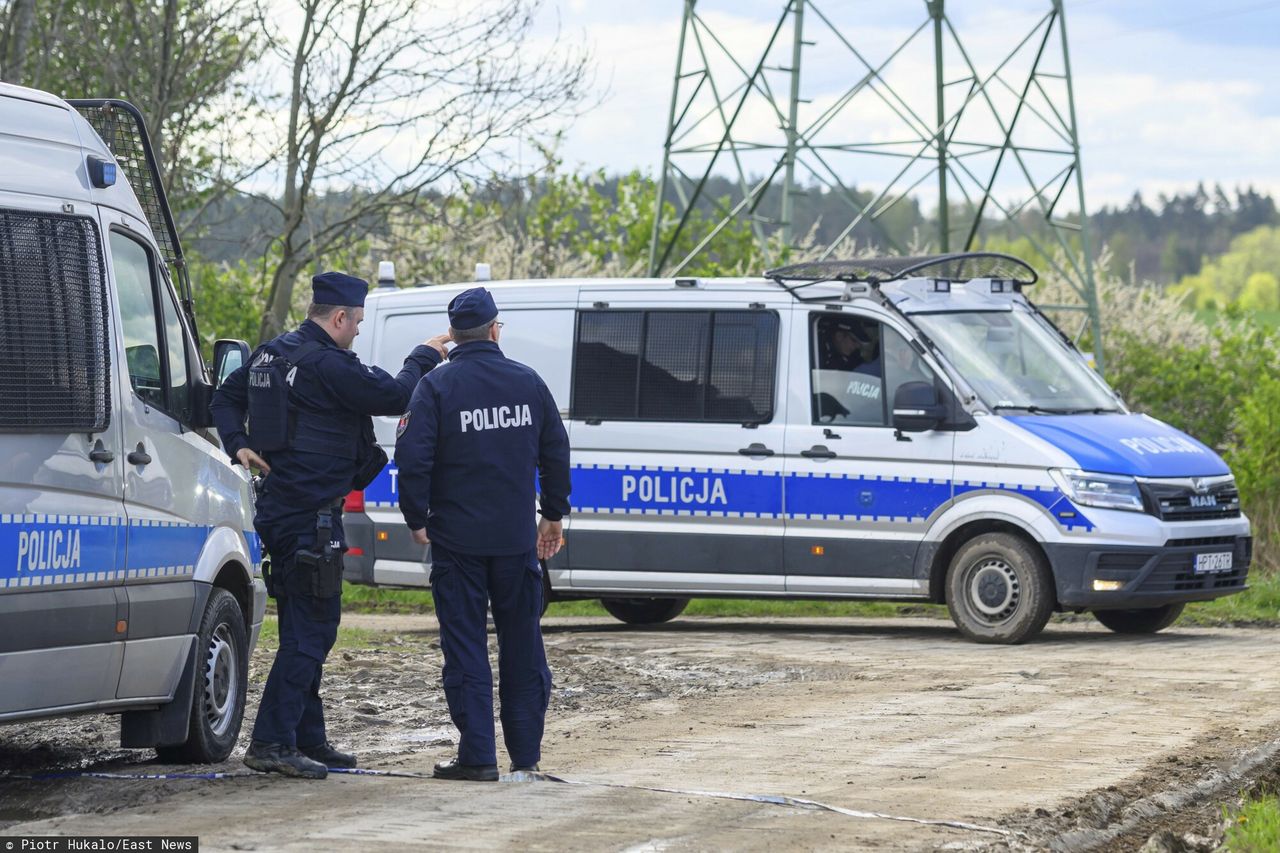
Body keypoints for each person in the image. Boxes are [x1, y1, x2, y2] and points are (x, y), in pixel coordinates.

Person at [211, 271, 448, 779]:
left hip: (284, 510)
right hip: (311, 515)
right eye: (357, 322)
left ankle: (306, 736)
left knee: (305, 625)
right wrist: (424, 355)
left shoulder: (272, 353)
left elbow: (223, 398)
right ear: (339, 317)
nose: (359, 332)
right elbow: (395, 395)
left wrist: (237, 443)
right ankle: (272, 741)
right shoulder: (325, 364)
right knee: (313, 630)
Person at [394, 286, 571, 782]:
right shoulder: (528, 383)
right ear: (496, 330)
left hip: (457, 546)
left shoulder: (435, 387)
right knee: (522, 646)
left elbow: (411, 457)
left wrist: (416, 518)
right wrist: (552, 514)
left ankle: (477, 757)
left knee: (466, 649)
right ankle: (526, 758)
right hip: (517, 544)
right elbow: (555, 452)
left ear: (452, 337)